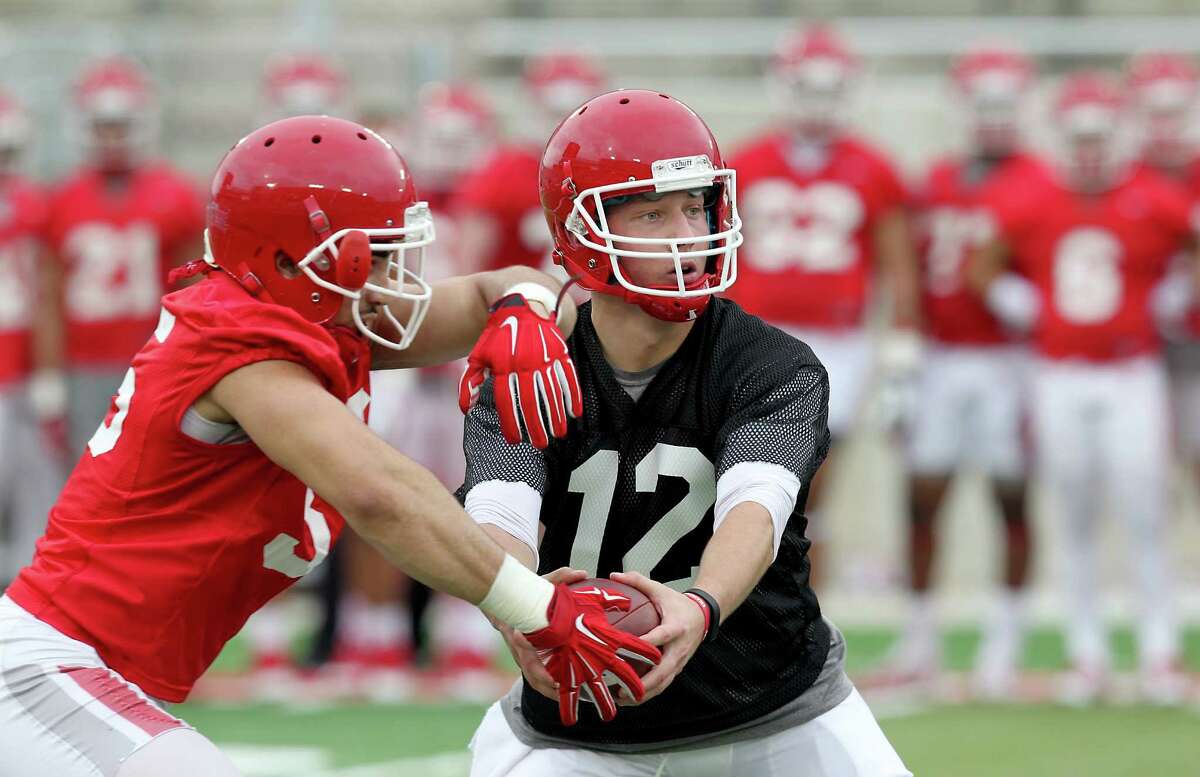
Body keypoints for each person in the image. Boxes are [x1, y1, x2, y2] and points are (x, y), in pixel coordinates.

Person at [0, 114, 660, 777]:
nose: (391, 274)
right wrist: (534, 607)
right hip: (47, 666)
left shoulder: (303, 312)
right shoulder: (242, 352)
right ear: (288, 259)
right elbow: (382, 494)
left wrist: (526, 311)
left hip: (92, 673)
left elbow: (501, 286)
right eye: (371, 254)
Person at [462, 89, 910, 777]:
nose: (688, 231)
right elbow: (498, 512)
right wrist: (520, 608)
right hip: (582, 727)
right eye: (653, 212)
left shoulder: (771, 363)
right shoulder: (531, 365)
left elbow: (755, 510)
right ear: (580, 234)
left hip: (776, 707)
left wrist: (700, 606)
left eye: (696, 206)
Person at [967, 72, 1195, 704]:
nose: (1091, 151)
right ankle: (1088, 652)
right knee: (1074, 514)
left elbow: (1193, 239)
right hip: (1060, 374)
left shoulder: (1151, 195)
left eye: (1100, 138)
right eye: (1080, 138)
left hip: (1132, 374)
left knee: (1145, 512)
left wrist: (1179, 294)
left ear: (1121, 136)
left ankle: (1158, 651)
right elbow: (980, 263)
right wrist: (1021, 300)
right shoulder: (1033, 198)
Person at [727, 25, 921, 581]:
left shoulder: (873, 166)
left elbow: (898, 267)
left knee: (811, 485)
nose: (816, 102)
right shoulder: (747, 161)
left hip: (839, 341)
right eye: (806, 88)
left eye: (828, 89)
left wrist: (903, 357)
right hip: (757, 332)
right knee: (747, 479)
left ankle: (804, 605)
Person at [888, 45, 1047, 697]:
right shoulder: (938, 178)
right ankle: (922, 632)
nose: (992, 118)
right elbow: (914, 270)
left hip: (1011, 359)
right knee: (922, 496)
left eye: (1003, 105)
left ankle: (1005, 637)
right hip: (944, 357)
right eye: (982, 105)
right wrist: (906, 357)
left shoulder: (1041, 179)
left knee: (1011, 495)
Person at [41, 56, 205, 456]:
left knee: (156, 463)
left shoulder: (177, 193)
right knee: (86, 470)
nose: (112, 136)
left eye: (121, 125)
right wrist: (47, 374)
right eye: (103, 125)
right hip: (84, 362)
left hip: (156, 356)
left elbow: (197, 289)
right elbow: (49, 295)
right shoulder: (62, 198)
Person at [454, 52, 606, 277]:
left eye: (574, 112)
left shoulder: (605, 166)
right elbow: (469, 263)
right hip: (519, 302)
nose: (564, 123)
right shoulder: (503, 170)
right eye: (555, 111)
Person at [0, 92, 61, 581]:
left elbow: (47, 290)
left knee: (37, 490)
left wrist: (47, 372)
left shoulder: (33, 202)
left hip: (22, 364)